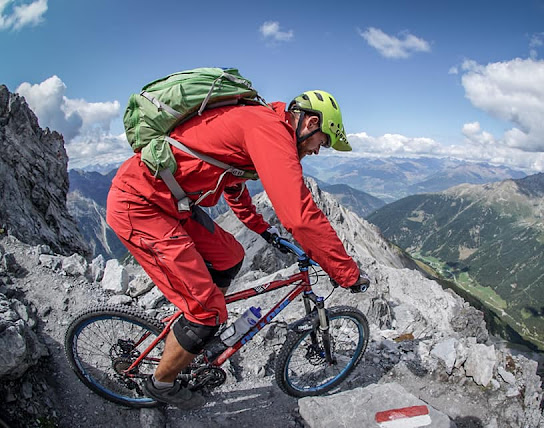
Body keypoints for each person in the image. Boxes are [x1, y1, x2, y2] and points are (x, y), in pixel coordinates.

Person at [105, 89, 369, 409]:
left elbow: (233, 182)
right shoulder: (268, 129)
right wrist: (346, 272)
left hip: (170, 205)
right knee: (207, 313)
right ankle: (162, 381)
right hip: (140, 207)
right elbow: (300, 217)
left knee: (230, 256)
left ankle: (200, 329)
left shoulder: (263, 124)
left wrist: (262, 230)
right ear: (311, 123)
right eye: (323, 142)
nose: (317, 151)